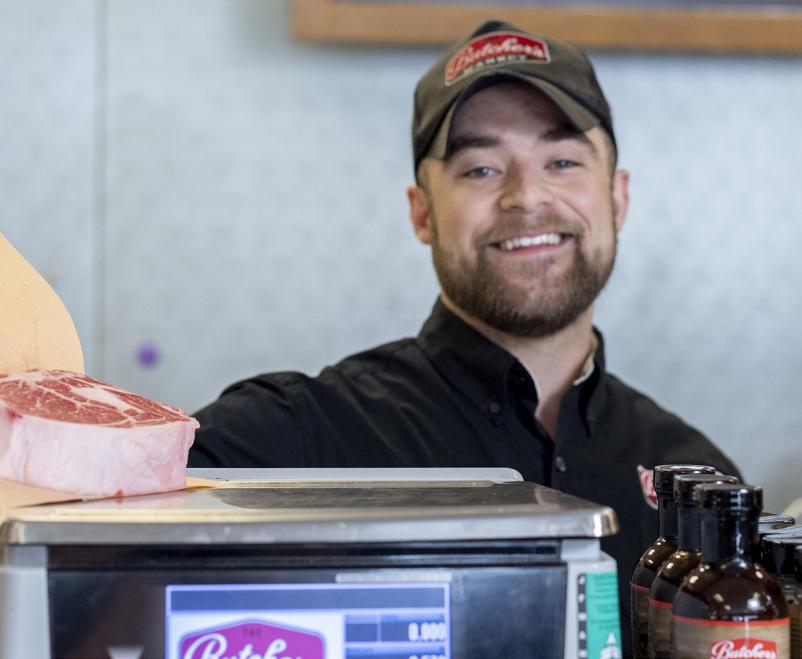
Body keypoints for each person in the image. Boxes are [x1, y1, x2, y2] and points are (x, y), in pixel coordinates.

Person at [189, 20, 740, 654]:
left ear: (617, 199)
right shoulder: (295, 437)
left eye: (562, 162)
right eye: (480, 169)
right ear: (422, 212)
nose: (526, 197)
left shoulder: (695, 483)